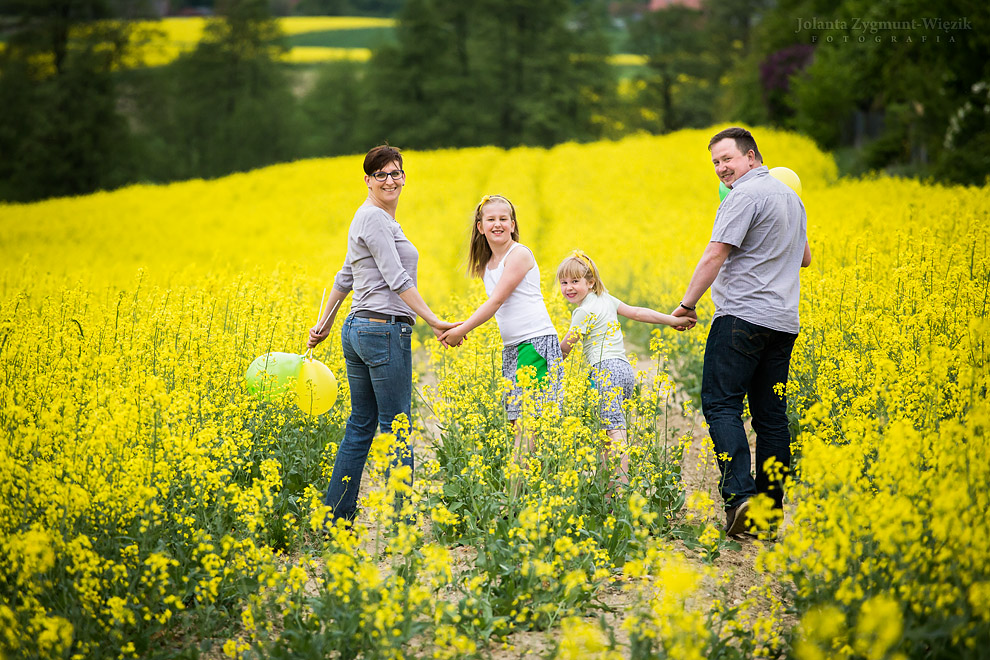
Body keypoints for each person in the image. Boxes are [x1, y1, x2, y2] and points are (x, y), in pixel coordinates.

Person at [673, 127, 812, 537]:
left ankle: (740, 497)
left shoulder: (744, 195)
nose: (721, 168)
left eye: (727, 159)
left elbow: (716, 253)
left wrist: (687, 304)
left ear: (752, 157)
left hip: (741, 317)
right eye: (715, 162)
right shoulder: (792, 198)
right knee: (771, 418)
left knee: (721, 405)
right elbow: (804, 258)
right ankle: (771, 508)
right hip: (783, 322)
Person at [308, 144, 457, 526]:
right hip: (382, 330)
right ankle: (401, 522)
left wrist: (325, 324)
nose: (389, 180)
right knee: (398, 426)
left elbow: (345, 276)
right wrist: (434, 320)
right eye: (381, 175)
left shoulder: (370, 218)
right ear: (367, 180)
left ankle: (336, 517)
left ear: (404, 177)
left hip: (359, 330)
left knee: (361, 424)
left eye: (395, 173)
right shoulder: (374, 218)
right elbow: (396, 278)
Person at [557, 250, 694, 481]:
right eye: (564, 282)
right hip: (623, 370)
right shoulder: (606, 299)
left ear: (590, 283)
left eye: (575, 281)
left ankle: (621, 491)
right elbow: (638, 312)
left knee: (613, 432)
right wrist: (673, 320)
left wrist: (546, 365)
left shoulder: (582, 311)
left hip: (604, 372)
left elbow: (565, 348)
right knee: (606, 432)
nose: (569, 287)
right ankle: (608, 496)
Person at [438, 194, 562, 441]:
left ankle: (518, 480)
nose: (498, 224)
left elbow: (495, 302)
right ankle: (525, 478)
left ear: (513, 225)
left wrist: (461, 330)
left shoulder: (519, 254)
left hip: (534, 343)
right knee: (518, 423)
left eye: (504, 219)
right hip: (513, 347)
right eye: (491, 219)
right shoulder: (487, 264)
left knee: (528, 424)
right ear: (480, 227)